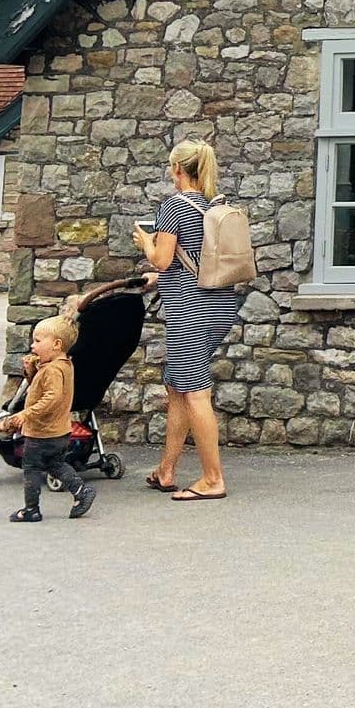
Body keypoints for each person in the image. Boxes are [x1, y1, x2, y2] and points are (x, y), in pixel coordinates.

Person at [133, 139, 242, 501]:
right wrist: (160, 277)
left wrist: (146, 243)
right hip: (219, 305)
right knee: (178, 387)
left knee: (195, 393)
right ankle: (167, 470)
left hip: (189, 310)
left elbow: (162, 258)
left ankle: (213, 479)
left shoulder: (173, 207)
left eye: (170, 166)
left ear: (178, 169)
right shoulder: (211, 205)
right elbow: (190, 259)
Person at [0, 317, 96, 523]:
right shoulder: (63, 365)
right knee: (56, 464)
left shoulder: (51, 370)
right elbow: (39, 388)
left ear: (56, 344)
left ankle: (31, 509)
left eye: (38, 341)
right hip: (59, 431)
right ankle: (81, 490)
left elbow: (51, 397)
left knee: (31, 468)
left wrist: (24, 414)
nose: (33, 345)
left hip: (41, 431)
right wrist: (32, 371)